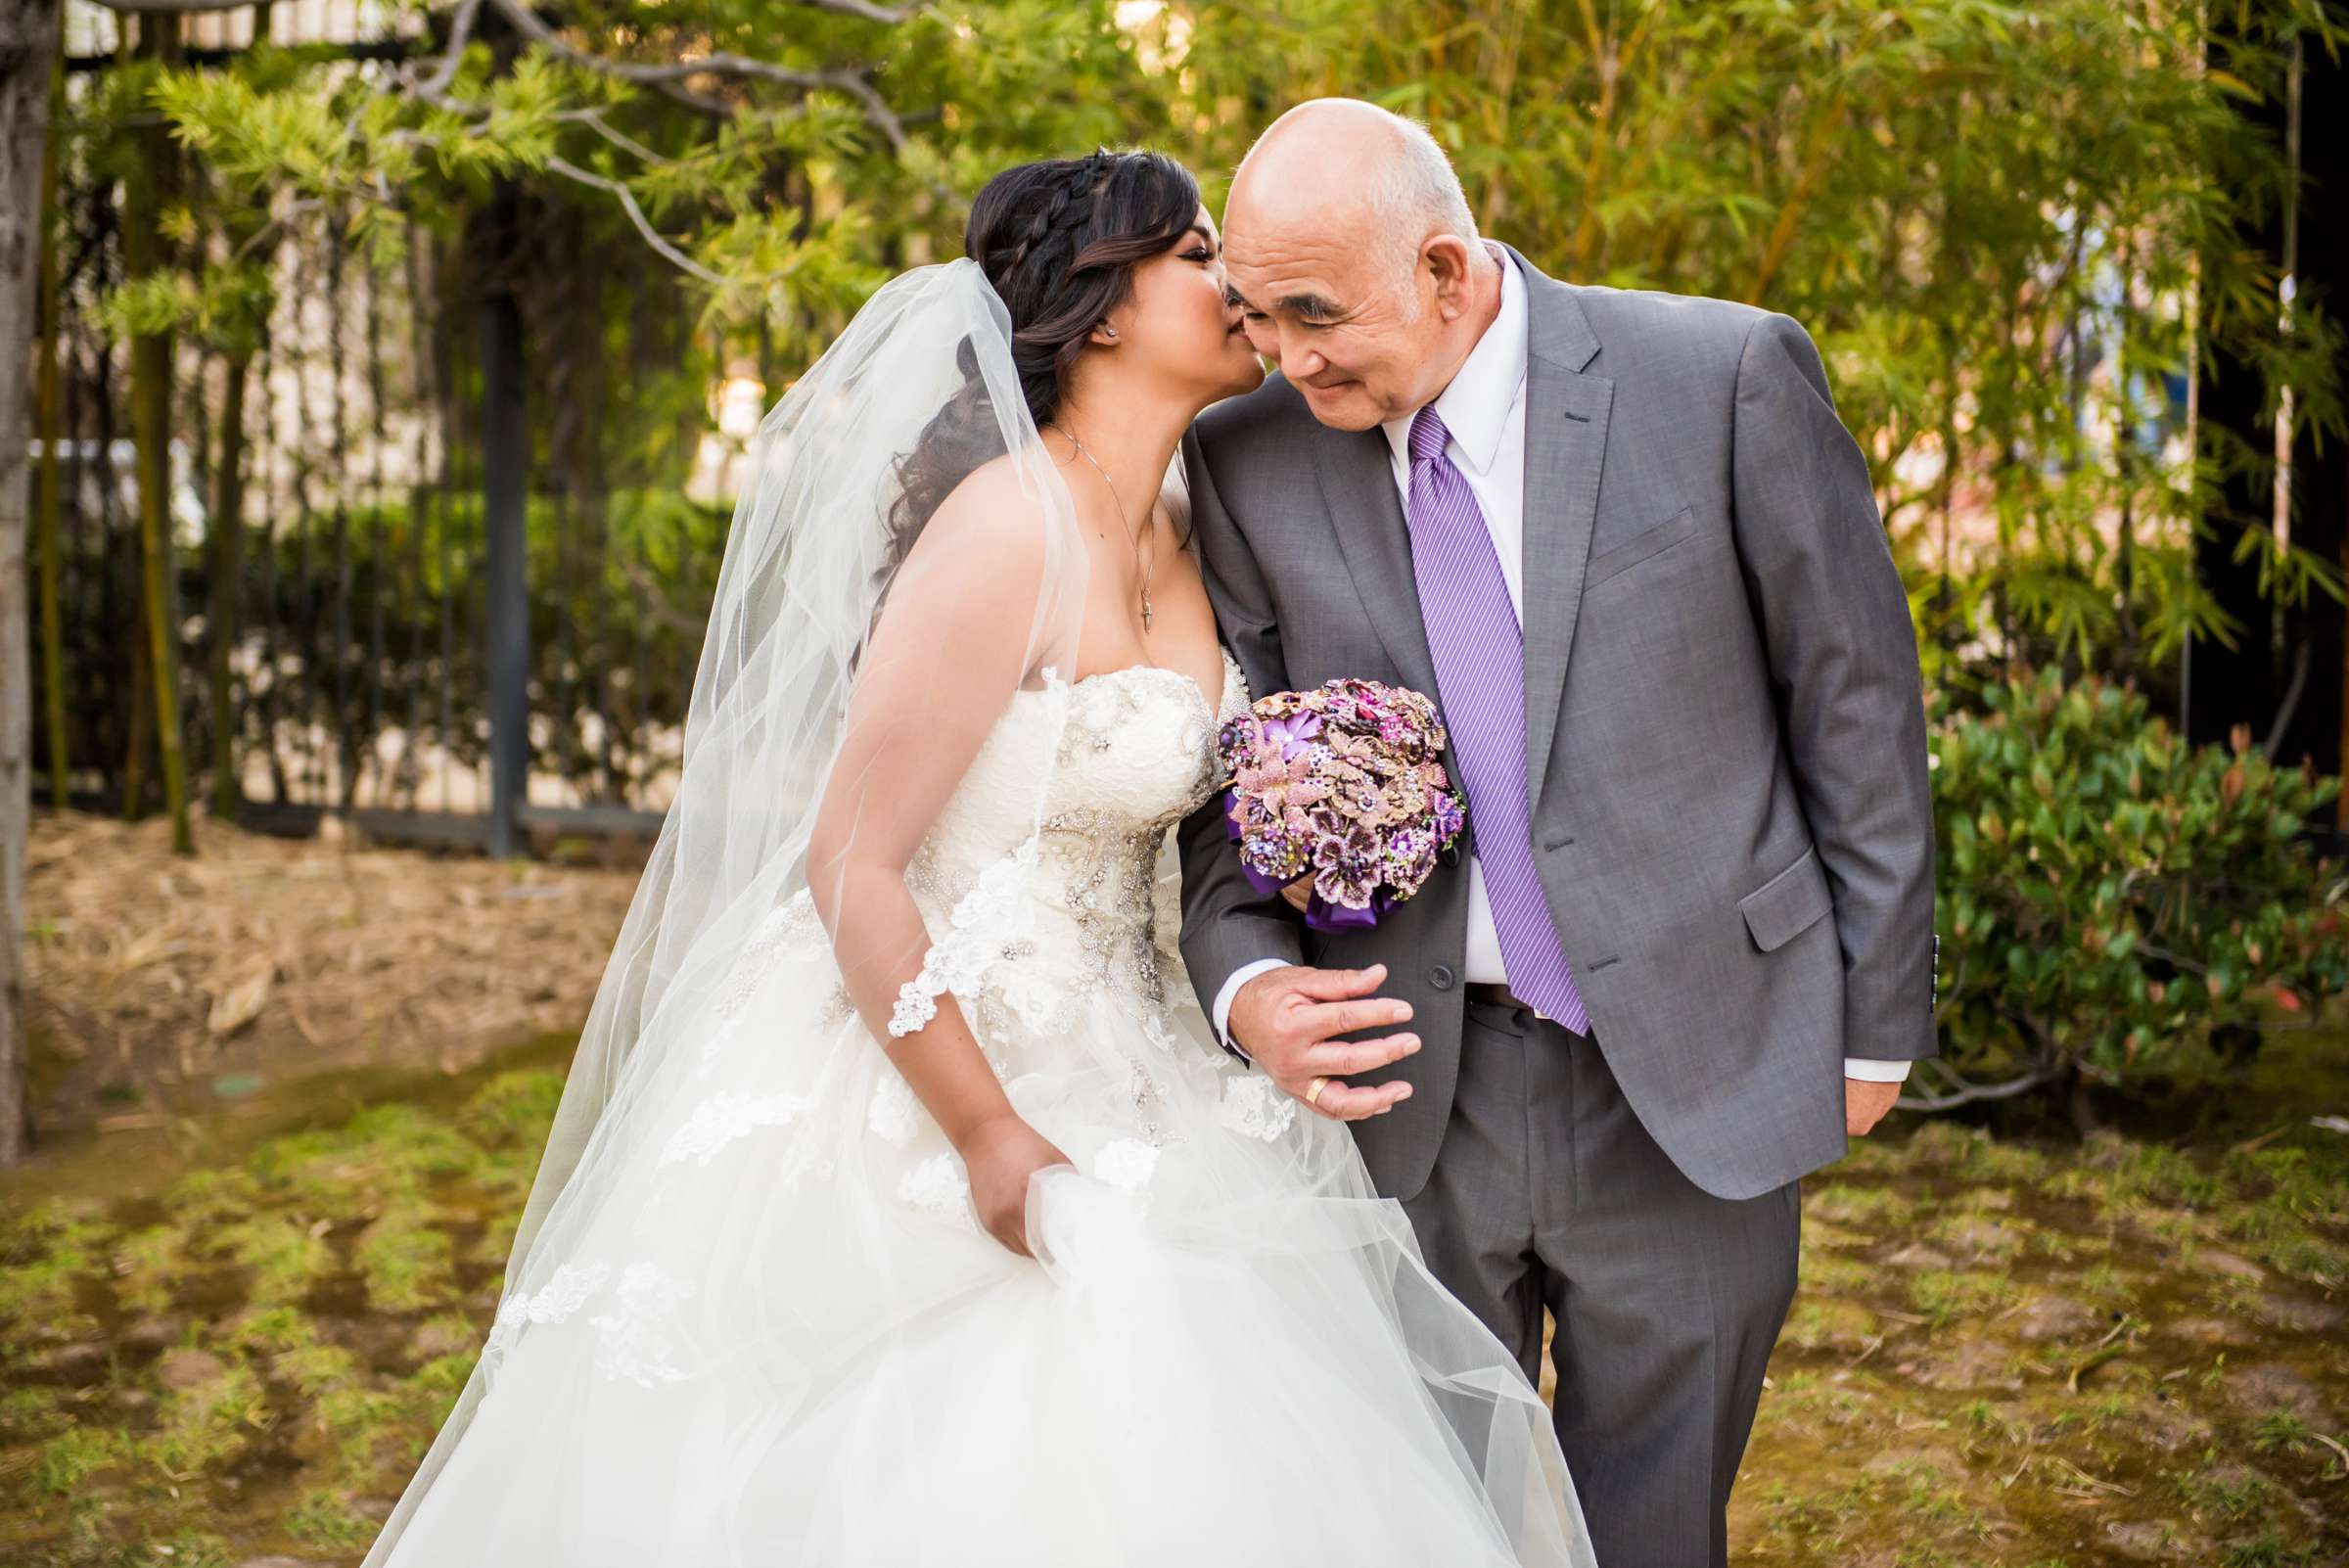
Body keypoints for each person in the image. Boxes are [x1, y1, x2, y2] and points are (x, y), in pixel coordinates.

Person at [361, 148, 1591, 1567]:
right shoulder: (1004, 530)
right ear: (1105, 309)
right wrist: (989, 1137)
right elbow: (850, 862)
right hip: (940, 1064)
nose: (1240, 289)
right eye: (1197, 256)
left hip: (1155, 1066)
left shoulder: (1199, 527)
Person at [1177, 99, 1938, 1568]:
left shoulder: (1721, 376)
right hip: (1405, 1094)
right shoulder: (1246, 460)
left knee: (1656, 1526)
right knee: (1424, 1522)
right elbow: (1229, 782)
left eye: (1318, 313)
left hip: (1698, 1068)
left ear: (1449, 271)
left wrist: (1872, 1027)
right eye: (1256, 316)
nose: (1286, 355)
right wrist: (1248, 984)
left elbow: (1855, 701)